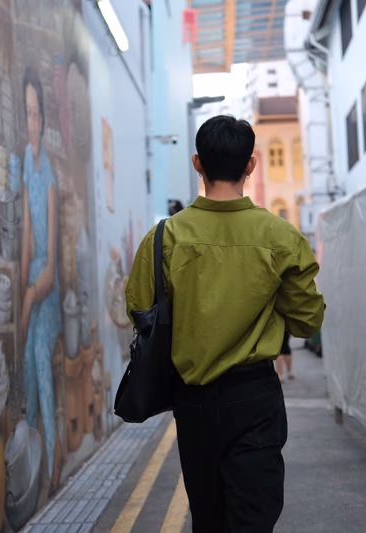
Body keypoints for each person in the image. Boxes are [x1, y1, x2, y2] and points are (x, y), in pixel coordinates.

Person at [125, 115, 325, 533]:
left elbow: (139, 308)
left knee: (208, 519)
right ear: (251, 164)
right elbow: (308, 322)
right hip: (255, 397)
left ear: (197, 163)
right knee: (253, 518)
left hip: (193, 401)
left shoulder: (164, 238)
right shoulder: (281, 237)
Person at [20, 66, 63, 486]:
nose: (32, 122)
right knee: (25, 367)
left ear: (44, 120)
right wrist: (22, 289)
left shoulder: (48, 174)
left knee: (37, 354)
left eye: (37, 114)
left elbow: (50, 263)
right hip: (33, 281)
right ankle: (31, 460)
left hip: (48, 288)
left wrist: (31, 297)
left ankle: (53, 456)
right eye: (27, 113)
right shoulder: (25, 164)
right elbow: (27, 241)